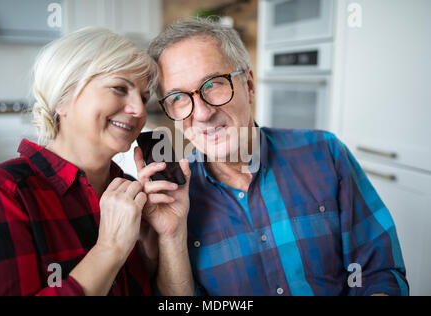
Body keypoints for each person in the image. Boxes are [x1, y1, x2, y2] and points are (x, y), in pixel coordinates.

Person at [148, 18, 409, 296]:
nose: (201, 113)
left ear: (248, 84)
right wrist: (172, 237)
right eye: (177, 97)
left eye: (212, 84)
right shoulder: (173, 198)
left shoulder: (325, 153)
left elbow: (376, 271)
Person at [0, 27, 192, 296]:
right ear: (62, 98)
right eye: (119, 88)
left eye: (143, 97)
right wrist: (109, 249)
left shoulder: (133, 194)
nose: (139, 110)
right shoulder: (0, 194)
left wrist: (162, 243)